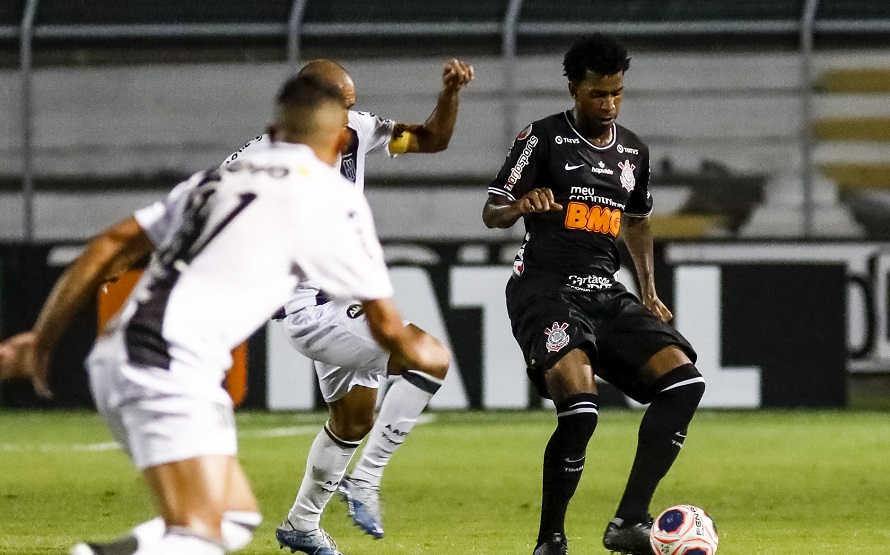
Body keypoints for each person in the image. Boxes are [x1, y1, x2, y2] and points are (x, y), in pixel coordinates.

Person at [0, 74, 450, 555]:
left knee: (231, 519)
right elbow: (384, 325)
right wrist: (424, 359)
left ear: (275, 132)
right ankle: (361, 481)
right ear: (341, 140)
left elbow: (109, 245)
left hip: (132, 352)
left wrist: (41, 340)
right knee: (200, 535)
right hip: (166, 361)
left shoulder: (215, 180)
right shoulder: (330, 197)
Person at [229, 58, 474, 552]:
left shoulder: (357, 132)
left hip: (345, 302)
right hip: (312, 309)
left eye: (351, 106)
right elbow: (206, 219)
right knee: (428, 356)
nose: (351, 114)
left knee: (353, 421)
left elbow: (432, 139)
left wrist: (450, 94)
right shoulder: (257, 161)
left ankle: (301, 525)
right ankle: (366, 479)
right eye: (342, 105)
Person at [482, 34, 705, 555]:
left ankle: (630, 520)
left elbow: (638, 219)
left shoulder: (632, 150)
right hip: (546, 291)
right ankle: (551, 541)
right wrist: (521, 206)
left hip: (606, 292)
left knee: (683, 384)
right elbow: (492, 210)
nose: (608, 105)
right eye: (597, 94)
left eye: (616, 94)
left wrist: (648, 288)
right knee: (581, 411)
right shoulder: (540, 139)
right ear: (573, 88)